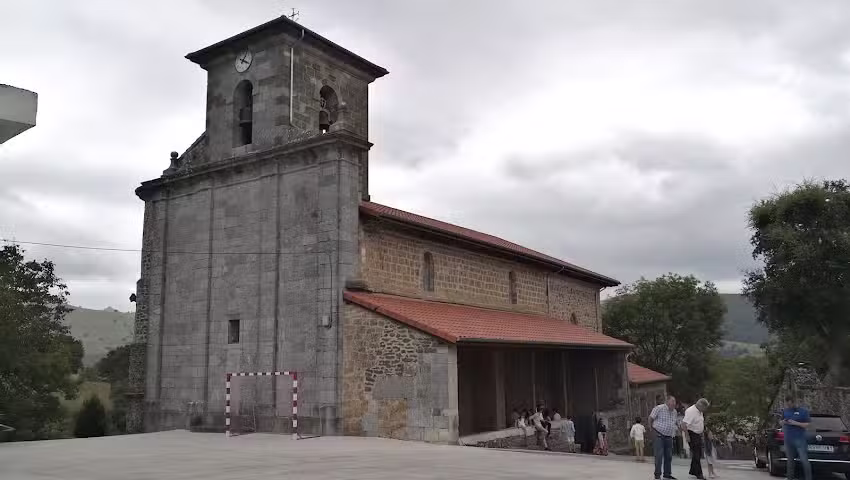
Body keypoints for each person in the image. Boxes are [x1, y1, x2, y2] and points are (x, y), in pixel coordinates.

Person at [781, 396, 812, 480]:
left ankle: (808, 478)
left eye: (790, 403)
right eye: (787, 403)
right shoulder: (785, 411)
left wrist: (795, 423)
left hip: (800, 439)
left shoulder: (803, 411)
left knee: (804, 459)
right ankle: (789, 477)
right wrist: (783, 422)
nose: (788, 405)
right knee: (790, 461)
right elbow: (781, 422)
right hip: (788, 439)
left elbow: (807, 424)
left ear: (794, 402)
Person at [650, 395, 680, 480]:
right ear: (667, 401)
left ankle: (667, 474)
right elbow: (650, 418)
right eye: (672, 401)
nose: (674, 403)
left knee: (669, 456)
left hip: (669, 436)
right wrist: (651, 430)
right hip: (658, 435)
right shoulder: (659, 408)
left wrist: (677, 429)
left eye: (675, 401)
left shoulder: (674, 411)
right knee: (659, 456)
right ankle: (657, 475)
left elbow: (674, 422)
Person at [682, 398, 710, 480]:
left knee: (697, 454)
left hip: (697, 435)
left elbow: (699, 422)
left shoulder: (699, 411)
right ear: (700, 405)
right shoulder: (691, 411)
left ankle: (693, 471)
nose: (705, 410)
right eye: (704, 408)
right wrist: (687, 436)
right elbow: (683, 424)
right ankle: (699, 474)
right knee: (696, 454)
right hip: (692, 434)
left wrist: (705, 431)